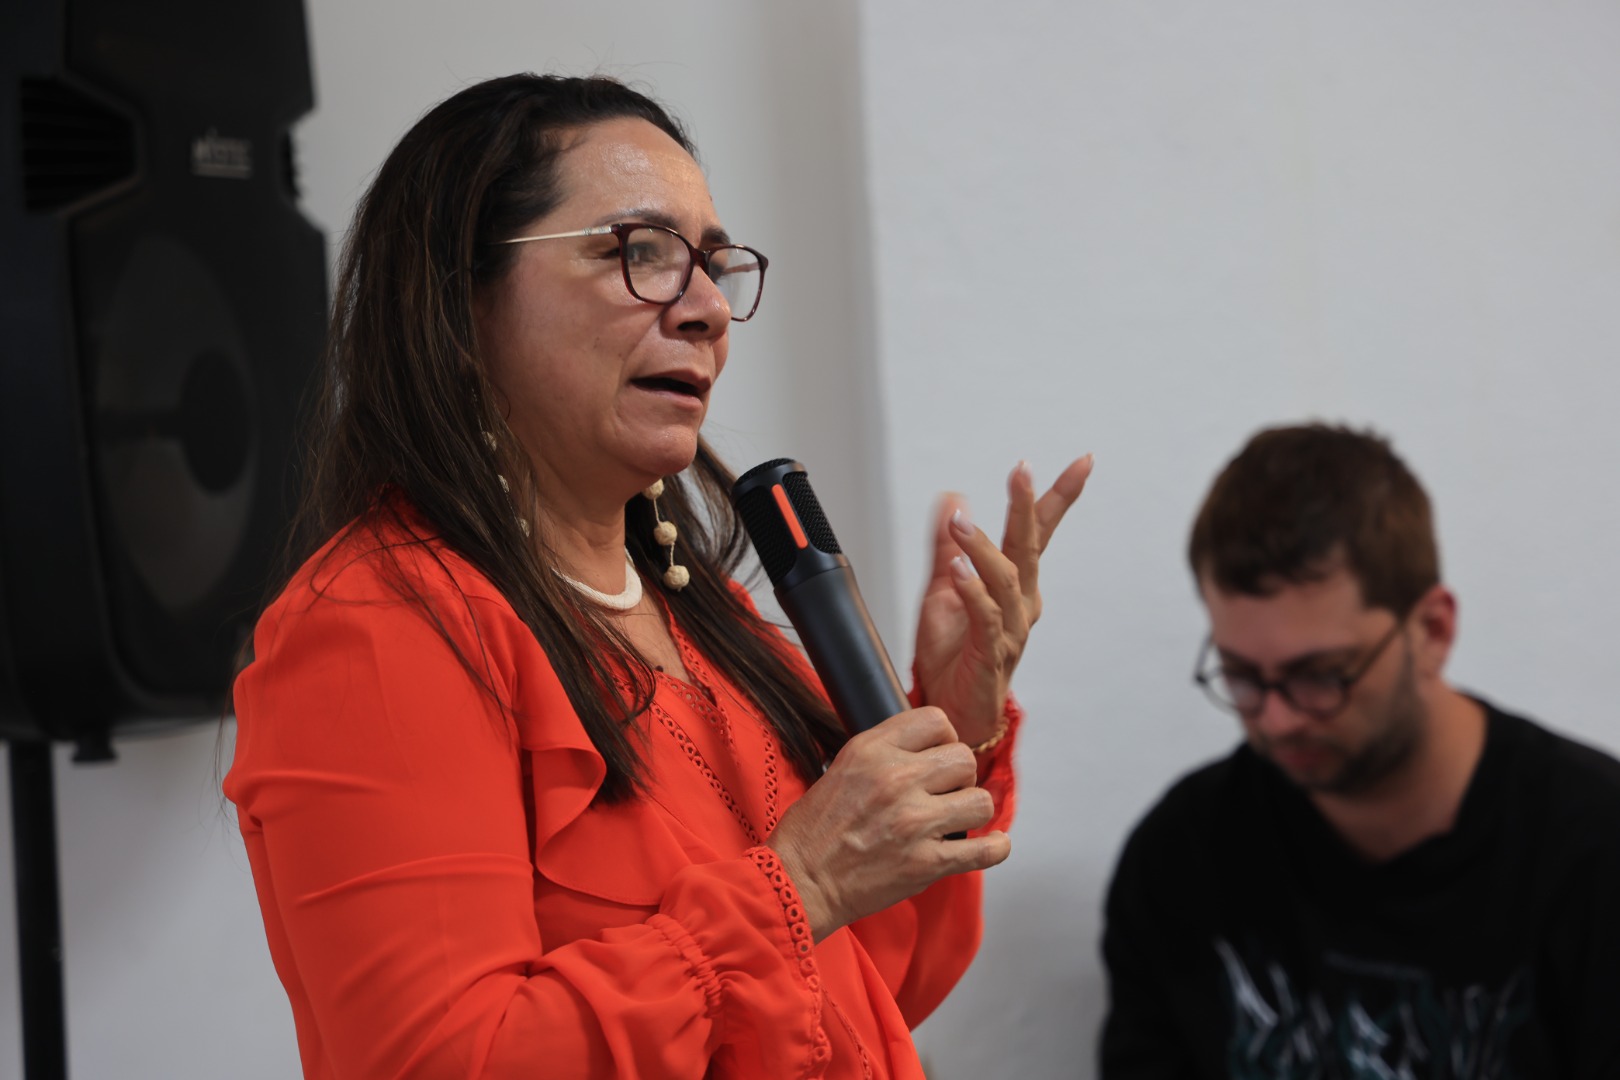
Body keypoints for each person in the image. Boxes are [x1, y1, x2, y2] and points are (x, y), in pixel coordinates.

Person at [224, 73, 1092, 1080]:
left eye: (714, 265)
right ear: (459, 304)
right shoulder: (380, 627)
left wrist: (951, 713)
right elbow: (446, 1063)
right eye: (638, 253)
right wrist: (797, 886)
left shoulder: (708, 616)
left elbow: (877, 984)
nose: (710, 310)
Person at [1098, 423, 1620, 1079]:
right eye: (1242, 675)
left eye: (1321, 675)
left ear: (1432, 630)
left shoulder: (1594, 850)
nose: (1277, 719)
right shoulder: (1181, 856)